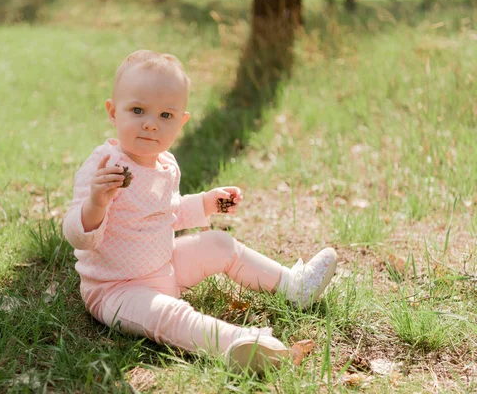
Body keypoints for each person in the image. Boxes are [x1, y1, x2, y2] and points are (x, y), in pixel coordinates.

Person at [63, 50, 338, 373]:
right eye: (138, 110)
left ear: (181, 121)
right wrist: (96, 202)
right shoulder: (104, 166)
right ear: (113, 112)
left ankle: (294, 286)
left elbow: (167, 213)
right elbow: (78, 236)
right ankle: (239, 343)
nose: (151, 124)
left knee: (219, 244)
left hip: (164, 268)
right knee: (168, 315)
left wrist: (207, 203)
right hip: (116, 288)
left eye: (166, 116)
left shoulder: (166, 165)